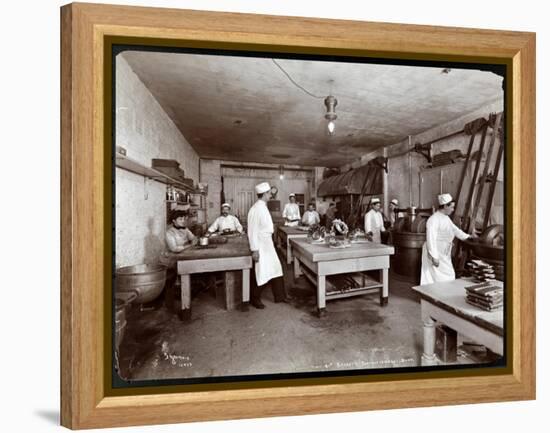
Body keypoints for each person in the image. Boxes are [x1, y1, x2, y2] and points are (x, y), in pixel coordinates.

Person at [247, 182, 289, 309]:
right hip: (260, 244)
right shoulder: (255, 209)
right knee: (261, 271)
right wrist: (255, 250)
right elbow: (252, 231)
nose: (271, 195)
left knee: (276, 267)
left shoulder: (263, 206)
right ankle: (254, 298)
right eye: (270, 193)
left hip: (267, 243)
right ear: (264, 194)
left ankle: (280, 296)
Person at [420, 193, 475, 285]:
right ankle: (431, 296)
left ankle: (441, 295)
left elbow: (455, 230)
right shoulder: (433, 219)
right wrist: (434, 257)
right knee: (432, 276)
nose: (453, 210)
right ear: (445, 206)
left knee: (447, 274)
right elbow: (431, 238)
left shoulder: (446, 218)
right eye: (452, 207)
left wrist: (468, 237)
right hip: (434, 251)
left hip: (443, 252)